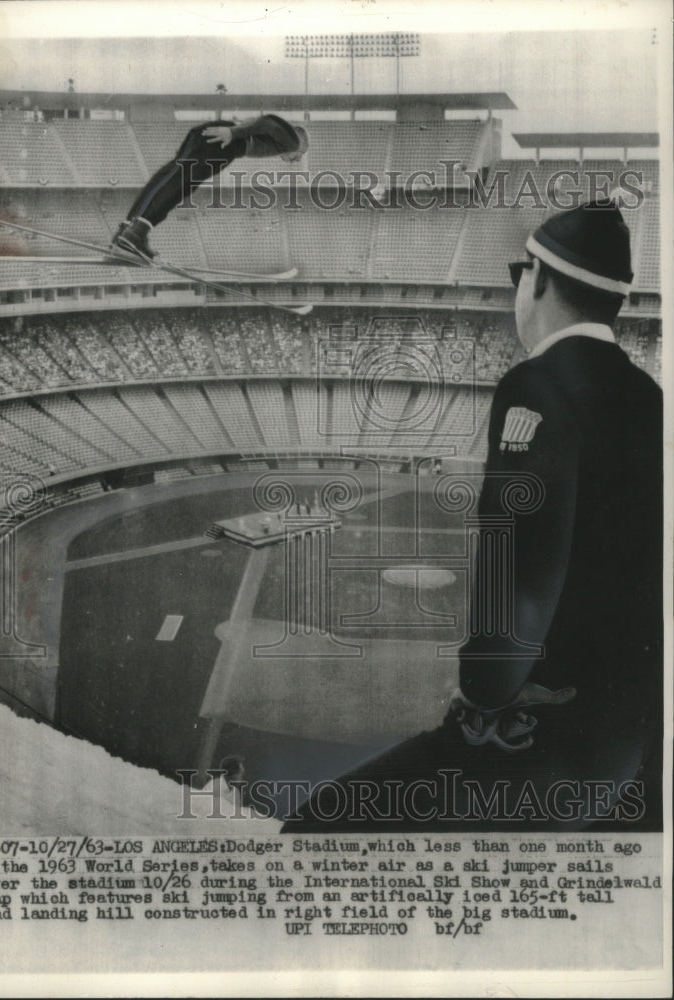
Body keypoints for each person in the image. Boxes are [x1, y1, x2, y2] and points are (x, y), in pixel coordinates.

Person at [282, 199, 663, 831]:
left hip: (545, 745)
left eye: (522, 274)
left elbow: (521, 573)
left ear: (536, 280)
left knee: (313, 830)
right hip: (631, 742)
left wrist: (481, 693)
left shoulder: (536, 385)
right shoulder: (650, 397)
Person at [112, 115, 309, 260]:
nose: (295, 160)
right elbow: (268, 122)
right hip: (223, 142)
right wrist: (233, 132)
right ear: (300, 144)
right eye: (299, 155)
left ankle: (127, 231)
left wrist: (235, 131)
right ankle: (135, 233)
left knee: (174, 182)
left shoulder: (281, 142)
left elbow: (260, 125)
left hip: (223, 145)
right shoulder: (292, 142)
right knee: (176, 186)